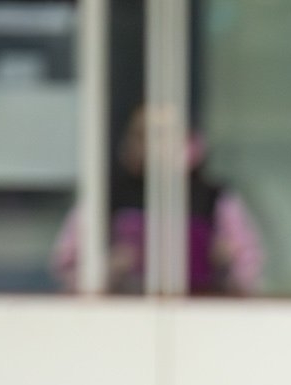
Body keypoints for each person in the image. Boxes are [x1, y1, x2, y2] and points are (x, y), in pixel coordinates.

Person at [51, 103, 265, 296]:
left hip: (202, 313)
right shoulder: (106, 197)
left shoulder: (215, 198)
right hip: (122, 312)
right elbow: (66, 267)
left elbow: (249, 269)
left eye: (165, 135)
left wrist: (226, 264)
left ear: (189, 142)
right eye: (143, 135)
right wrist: (109, 267)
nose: (154, 145)